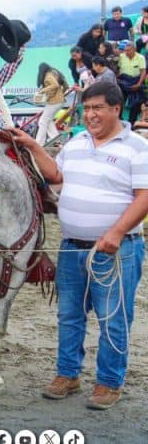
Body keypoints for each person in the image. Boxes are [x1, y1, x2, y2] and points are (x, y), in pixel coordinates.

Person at [11, 81, 148, 410]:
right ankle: (68, 374)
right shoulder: (75, 142)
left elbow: (145, 196)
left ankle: (109, 382)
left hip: (116, 249)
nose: (91, 115)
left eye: (98, 108)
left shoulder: (137, 147)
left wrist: (115, 232)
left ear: (117, 109)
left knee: (112, 317)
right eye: (87, 108)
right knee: (69, 315)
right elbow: (57, 176)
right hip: (72, 246)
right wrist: (32, 145)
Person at [34, 63, 67, 145]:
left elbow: (55, 85)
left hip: (53, 102)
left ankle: (39, 143)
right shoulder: (55, 73)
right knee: (48, 121)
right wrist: (61, 94)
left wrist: (43, 90)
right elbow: (66, 85)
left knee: (42, 122)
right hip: (58, 101)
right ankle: (56, 139)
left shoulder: (48, 75)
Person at [116, 41, 146, 123]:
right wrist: (117, 79)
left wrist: (139, 84)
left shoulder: (140, 57)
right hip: (123, 82)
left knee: (136, 103)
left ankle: (132, 121)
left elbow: (143, 72)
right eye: (125, 50)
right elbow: (117, 69)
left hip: (136, 82)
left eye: (128, 50)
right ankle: (119, 120)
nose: (126, 52)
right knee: (120, 101)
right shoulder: (121, 57)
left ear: (134, 49)